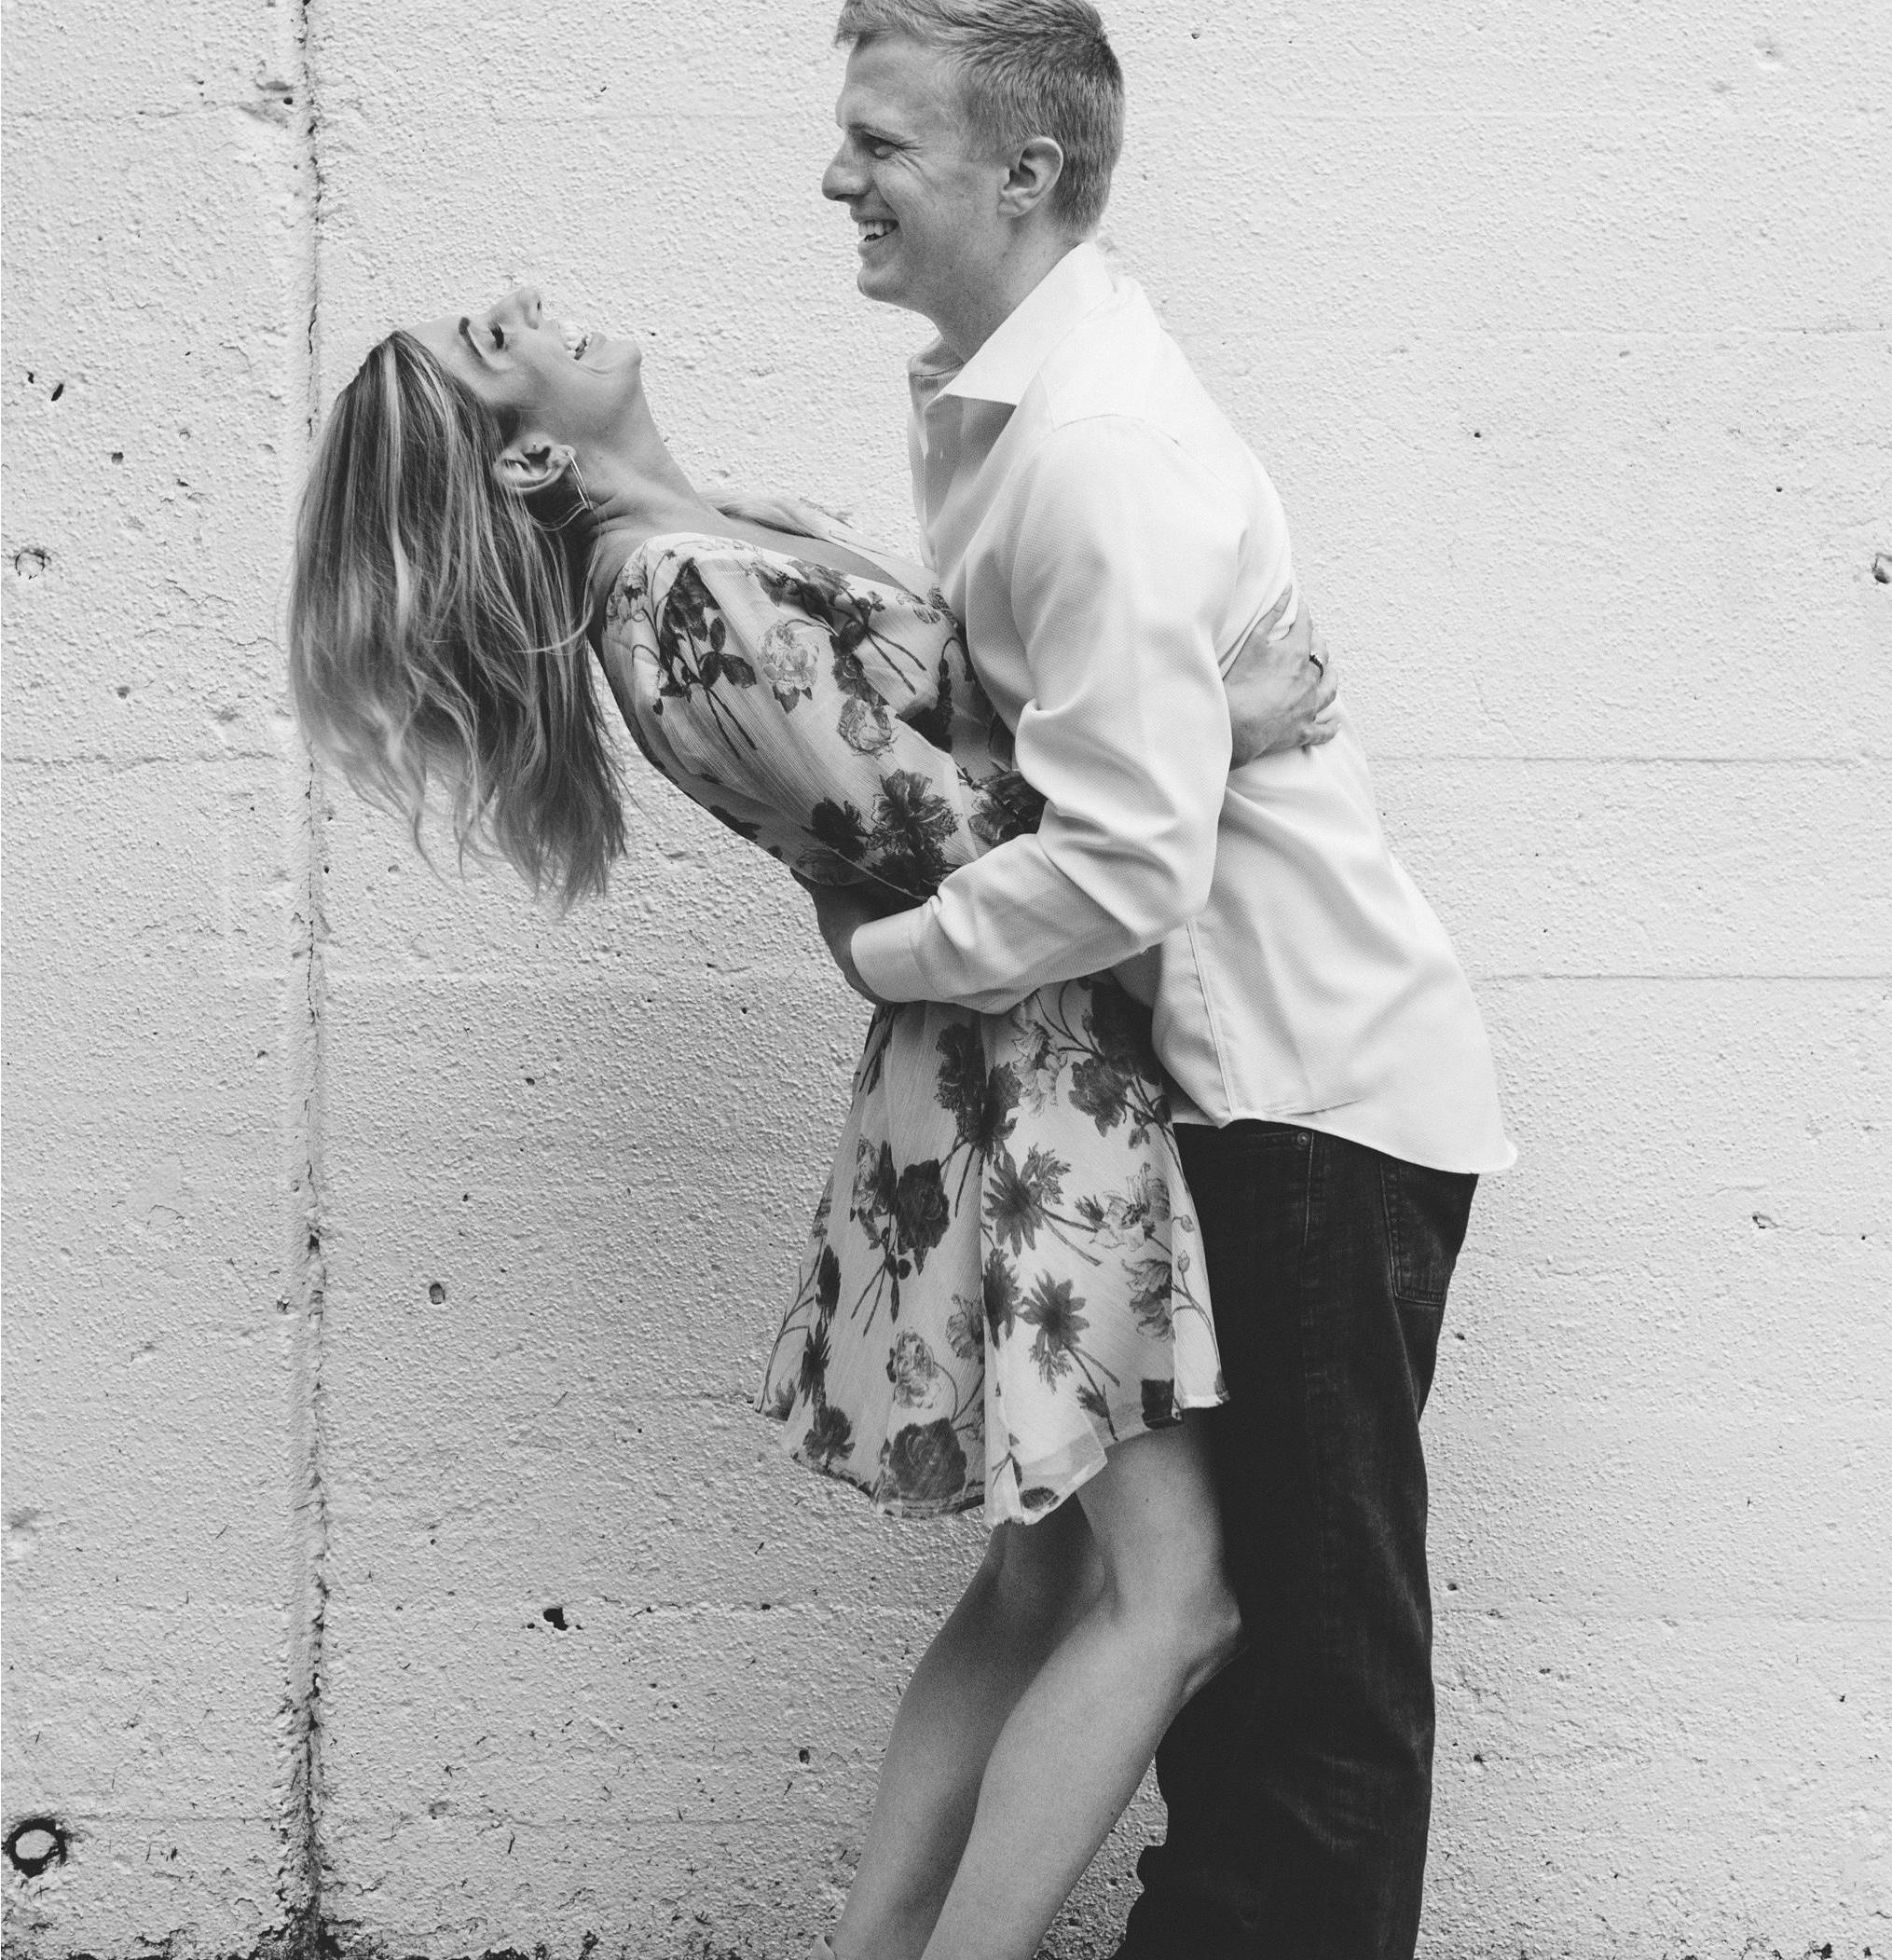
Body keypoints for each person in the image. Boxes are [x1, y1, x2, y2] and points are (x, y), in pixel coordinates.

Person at [285, 287, 1337, 1957]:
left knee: (1047, 1584)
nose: (525, 309)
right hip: (1031, 1086)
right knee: (1176, 1600)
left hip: (1014, 1061)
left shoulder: (720, 536)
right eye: (494, 345)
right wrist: (1219, 724)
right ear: (530, 458)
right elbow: (973, 845)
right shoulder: (675, 595)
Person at [802, 0, 1515, 1960]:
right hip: (1228, 1086)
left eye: (879, 141)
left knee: (1312, 1689)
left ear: (1023, 170)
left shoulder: (1090, 446)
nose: (838, 177)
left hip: (1301, 1093)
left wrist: (896, 952)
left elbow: (1124, 859)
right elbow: (1089, 767)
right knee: (1241, 1655)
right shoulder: (1005, 412)